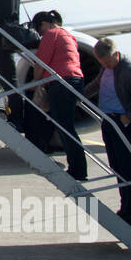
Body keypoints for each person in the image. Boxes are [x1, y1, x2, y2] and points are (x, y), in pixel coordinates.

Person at [83, 38, 131, 226]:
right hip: (109, 121)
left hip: (122, 121)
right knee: (117, 167)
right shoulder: (108, 67)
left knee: (127, 168)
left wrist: (128, 117)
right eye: (102, 64)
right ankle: (124, 208)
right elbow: (97, 84)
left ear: (116, 54)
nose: (106, 66)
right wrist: (80, 94)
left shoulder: (130, 71)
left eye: (108, 62)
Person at [30, 10, 87, 179]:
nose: (40, 35)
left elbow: (41, 65)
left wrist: (35, 79)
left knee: (65, 129)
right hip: (76, 81)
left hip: (61, 84)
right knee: (67, 127)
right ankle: (78, 167)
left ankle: (78, 169)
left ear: (44, 25)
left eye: (39, 31)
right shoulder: (68, 35)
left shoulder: (51, 35)